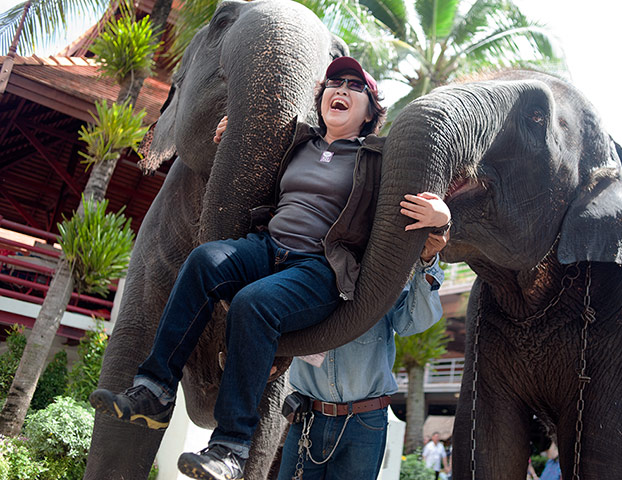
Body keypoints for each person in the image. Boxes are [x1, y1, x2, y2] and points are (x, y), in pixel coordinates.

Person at [89, 56, 451, 480]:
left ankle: (230, 446)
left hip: (321, 266)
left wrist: (444, 216)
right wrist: (231, 136)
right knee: (204, 260)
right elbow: (248, 156)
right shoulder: (297, 141)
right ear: (321, 99)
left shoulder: (379, 158)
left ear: (371, 111)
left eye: (356, 86)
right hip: (268, 246)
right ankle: (155, 388)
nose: (342, 89)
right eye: (335, 82)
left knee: (254, 303)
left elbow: (426, 184)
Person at [276, 223, 449, 479]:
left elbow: (412, 323)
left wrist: (427, 262)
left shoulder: (381, 279)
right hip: (307, 418)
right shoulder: (303, 268)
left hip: (364, 423)